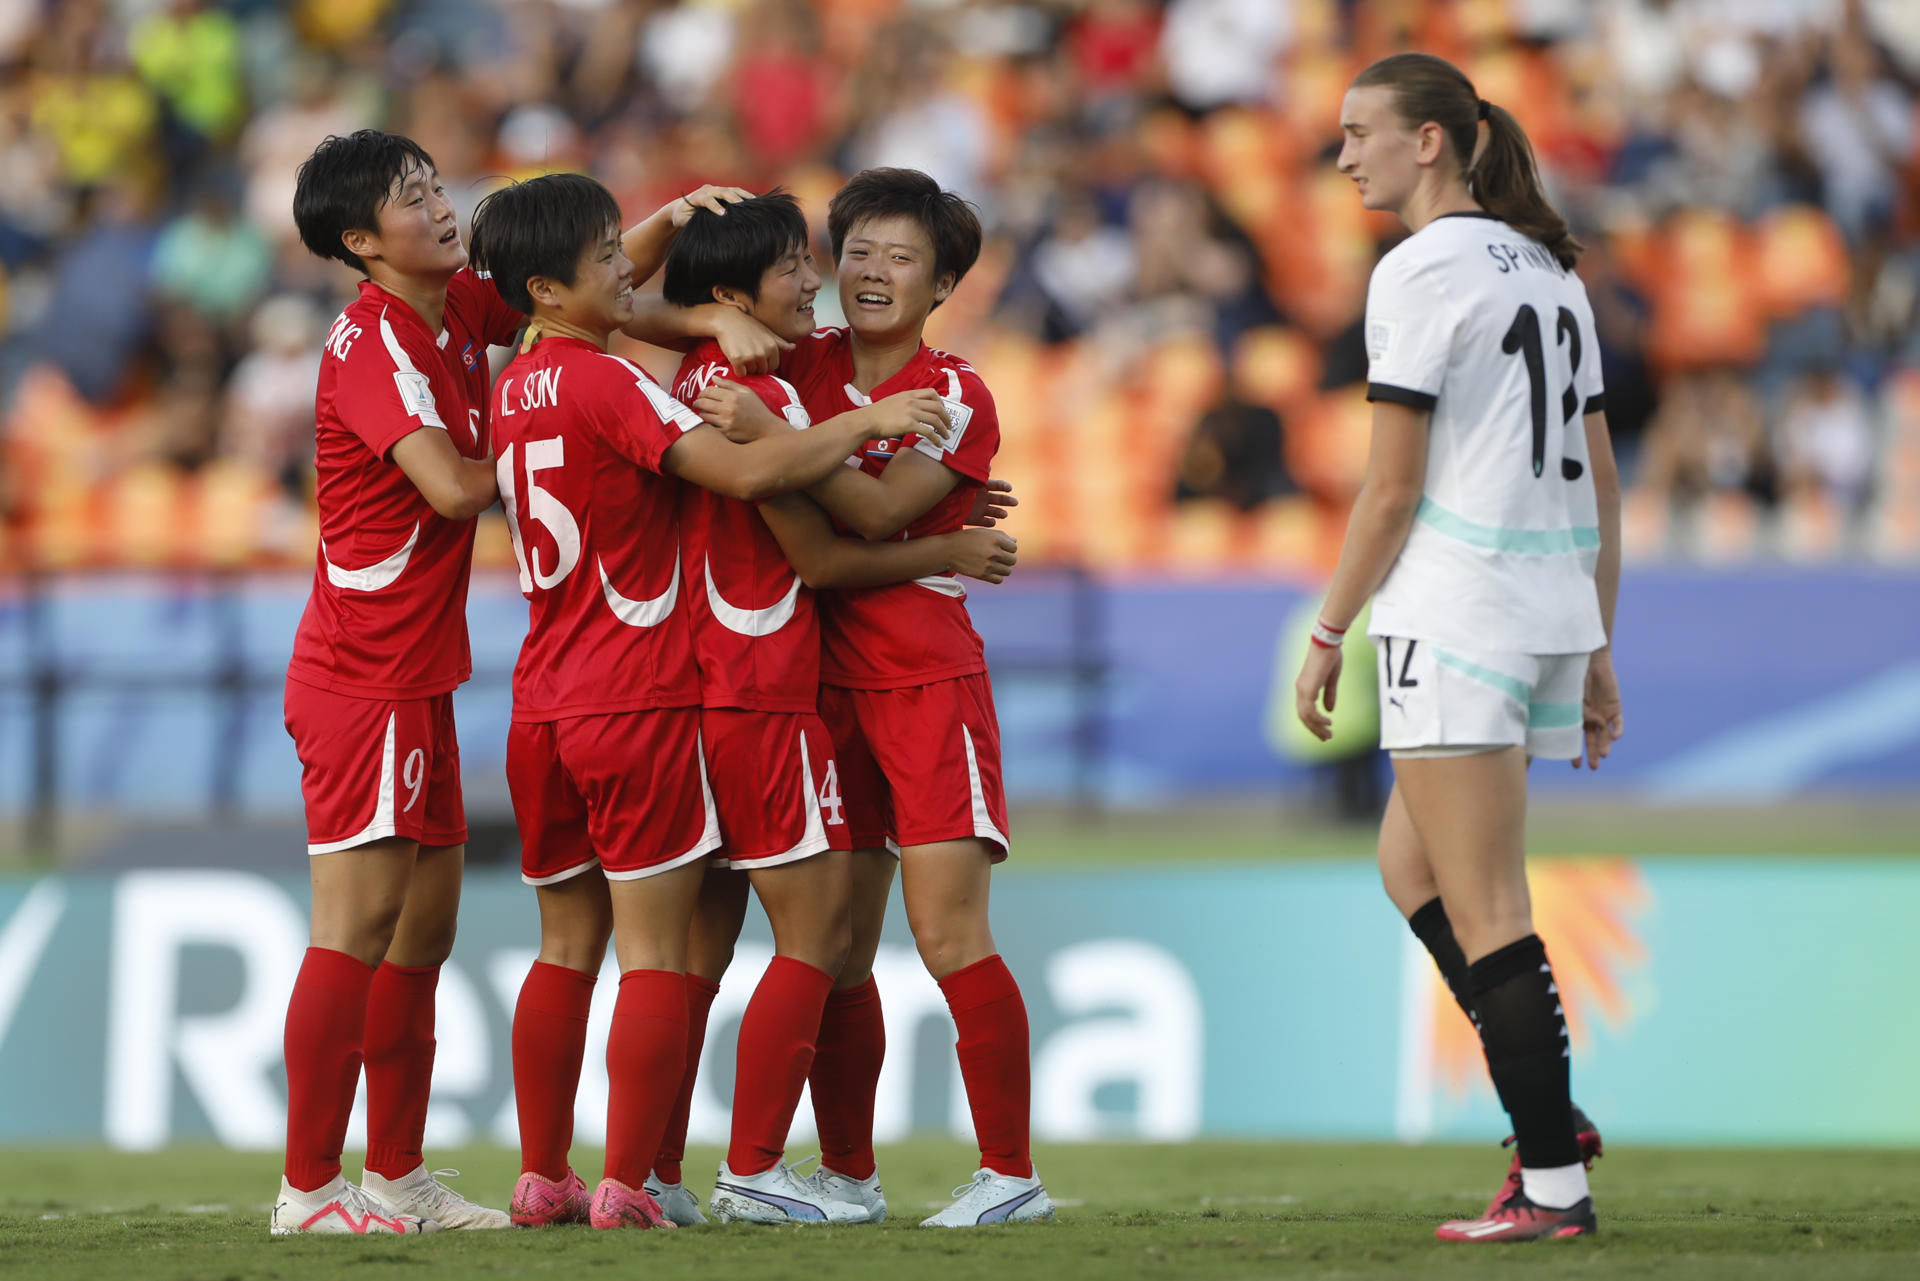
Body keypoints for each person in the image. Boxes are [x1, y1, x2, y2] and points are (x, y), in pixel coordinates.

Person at [276, 129, 749, 1236]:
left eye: (436, 186)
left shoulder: (457, 315)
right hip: (363, 676)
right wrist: (571, 432)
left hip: (421, 676)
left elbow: (581, 293)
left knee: (421, 936)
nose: (441, 206)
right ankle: (307, 1193)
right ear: (360, 241)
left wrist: (672, 226)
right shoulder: (372, 345)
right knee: (354, 929)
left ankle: (396, 1178)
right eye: (410, 198)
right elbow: (448, 486)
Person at [465, 172, 955, 1231]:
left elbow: (625, 307)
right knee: (735, 945)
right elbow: (765, 489)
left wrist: (694, 291)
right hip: (663, 695)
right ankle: (662, 1178)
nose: (621, 269)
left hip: (543, 694)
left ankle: (557, 1171)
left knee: (569, 946)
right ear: (552, 286)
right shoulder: (632, 385)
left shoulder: (513, 383)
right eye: (603, 257)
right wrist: (882, 432)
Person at [634, 189, 1019, 1226]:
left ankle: (1010, 1175)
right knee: (843, 949)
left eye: (903, 256)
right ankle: (848, 1173)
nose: (871, 270)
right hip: (811, 688)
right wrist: (716, 317)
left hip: (925, 681)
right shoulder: (791, 352)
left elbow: (881, 508)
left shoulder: (958, 391)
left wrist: (785, 443)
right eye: (856, 250)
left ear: (943, 285)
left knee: (947, 935)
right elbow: (615, 308)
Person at [1292, 54, 1625, 1243]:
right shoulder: (1548, 269)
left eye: (1359, 133)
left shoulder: (1417, 271)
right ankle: (1555, 1116)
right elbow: (1601, 475)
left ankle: (1553, 1184)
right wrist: (1595, 642)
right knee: (1413, 866)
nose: (1344, 156)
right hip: (1540, 609)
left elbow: (1390, 492)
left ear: (1429, 140)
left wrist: (1331, 628)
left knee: (1487, 904)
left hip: (1458, 607)